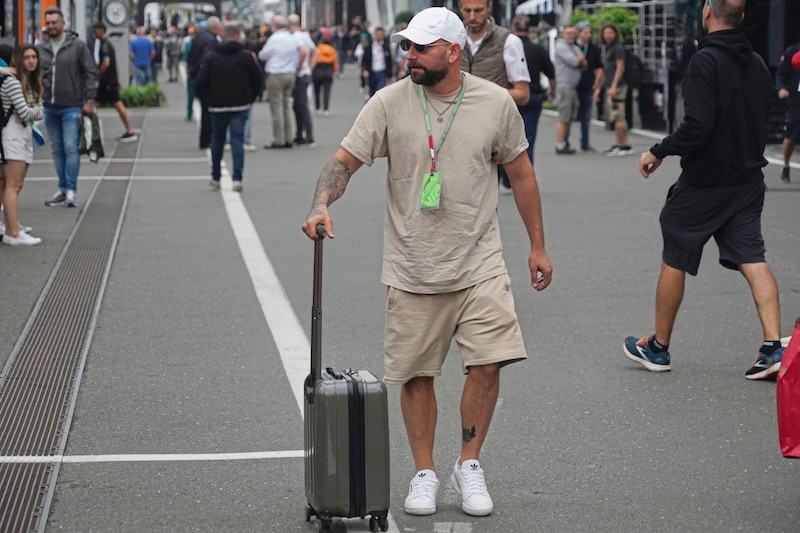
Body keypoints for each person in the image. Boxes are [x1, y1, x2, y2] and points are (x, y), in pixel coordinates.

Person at [300, 7, 552, 518]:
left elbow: (522, 176)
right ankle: (425, 472)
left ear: (452, 51)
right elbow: (344, 161)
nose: (408, 55)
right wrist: (321, 202)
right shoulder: (389, 102)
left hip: (480, 259)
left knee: (487, 366)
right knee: (417, 375)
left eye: (420, 47)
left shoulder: (496, 103)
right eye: (406, 47)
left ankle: (469, 463)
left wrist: (537, 246)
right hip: (413, 264)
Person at [625, 0, 783, 381]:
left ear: (708, 11)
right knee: (751, 255)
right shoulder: (759, 63)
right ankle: (772, 346)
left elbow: (697, 125)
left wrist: (658, 151)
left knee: (675, 253)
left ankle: (658, 348)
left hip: (706, 181)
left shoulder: (705, 61)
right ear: (742, 17)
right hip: (747, 178)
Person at [458, 0, 530, 193]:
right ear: (460, 8)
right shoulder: (452, 39)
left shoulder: (509, 41)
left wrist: (481, 95)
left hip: (489, 133)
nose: (472, 16)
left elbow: (523, 94)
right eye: (467, 10)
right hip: (452, 131)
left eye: (478, 10)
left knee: (484, 202)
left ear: (489, 7)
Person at [38, 6, 97, 209]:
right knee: (57, 150)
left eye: (55, 22)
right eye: (49, 23)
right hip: (49, 106)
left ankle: (71, 189)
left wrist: (90, 100)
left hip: (72, 105)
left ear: (63, 24)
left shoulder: (77, 46)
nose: (52, 26)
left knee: (71, 147)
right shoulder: (41, 48)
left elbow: (90, 72)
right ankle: (62, 189)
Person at [193, 23, 262, 193]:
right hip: (241, 104)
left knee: (217, 139)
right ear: (238, 37)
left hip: (217, 105)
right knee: (237, 140)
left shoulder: (211, 56)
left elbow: (201, 81)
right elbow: (258, 78)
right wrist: (251, 97)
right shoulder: (246, 56)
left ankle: (216, 177)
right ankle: (237, 178)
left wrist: (207, 99)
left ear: (222, 36)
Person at [0, 44, 45, 245]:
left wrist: (32, 109)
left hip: (21, 133)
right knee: (13, 185)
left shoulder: (27, 82)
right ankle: (13, 233)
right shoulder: (13, 82)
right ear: (18, 60)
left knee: (8, 184)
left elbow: (29, 111)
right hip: (13, 135)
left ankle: (12, 228)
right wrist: (38, 110)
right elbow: (27, 112)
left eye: (34, 57)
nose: (31, 61)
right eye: (26, 57)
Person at [510, 16, 554, 165]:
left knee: (505, 138)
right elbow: (551, 74)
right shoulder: (538, 49)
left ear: (513, 29)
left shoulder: (506, 48)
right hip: (533, 95)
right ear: (529, 30)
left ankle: (505, 176)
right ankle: (525, 178)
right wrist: (552, 91)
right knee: (528, 139)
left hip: (510, 96)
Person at [258, 15, 301, 149]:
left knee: (276, 107)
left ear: (274, 26)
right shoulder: (292, 38)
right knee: (287, 105)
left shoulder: (274, 39)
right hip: (290, 73)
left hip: (276, 74)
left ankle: (279, 139)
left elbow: (263, 55)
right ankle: (289, 137)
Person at [92, 22, 138, 142]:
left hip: (107, 82)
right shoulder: (107, 44)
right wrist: (117, 80)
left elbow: (106, 63)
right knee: (97, 105)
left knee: (112, 104)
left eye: (95, 30)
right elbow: (115, 64)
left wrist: (99, 74)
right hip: (109, 81)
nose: (94, 32)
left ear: (101, 30)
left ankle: (130, 130)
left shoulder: (105, 45)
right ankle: (129, 130)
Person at [596, 23, 633, 156]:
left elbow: (620, 66)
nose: (607, 36)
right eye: (605, 33)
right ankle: (621, 143)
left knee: (619, 116)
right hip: (610, 85)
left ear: (615, 34)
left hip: (617, 86)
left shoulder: (618, 48)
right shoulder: (608, 48)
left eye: (610, 33)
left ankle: (624, 145)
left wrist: (613, 85)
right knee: (615, 116)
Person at [187, 16, 223, 150]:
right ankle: (208, 140)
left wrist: (192, 72)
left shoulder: (198, 37)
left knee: (205, 110)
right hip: (206, 80)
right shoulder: (212, 41)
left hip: (196, 76)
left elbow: (191, 56)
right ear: (216, 27)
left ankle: (205, 139)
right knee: (209, 112)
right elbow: (208, 59)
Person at [553, 25, 586, 155]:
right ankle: (560, 144)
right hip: (564, 87)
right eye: (568, 33)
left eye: (573, 33)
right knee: (564, 117)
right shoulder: (561, 46)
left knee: (570, 117)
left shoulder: (574, 46)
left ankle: (565, 142)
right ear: (563, 34)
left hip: (572, 88)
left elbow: (584, 64)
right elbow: (574, 61)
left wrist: (580, 60)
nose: (571, 35)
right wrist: (579, 59)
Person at [288, 14, 316, 146]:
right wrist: (310, 67)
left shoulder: (295, 37)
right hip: (306, 73)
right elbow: (315, 51)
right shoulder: (305, 35)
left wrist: (298, 67)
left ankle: (307, 135)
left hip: (299, 75)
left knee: (301, 106)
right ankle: (301, 134)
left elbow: (303, 51)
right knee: (299, 105)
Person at [575, 21, 603, 152]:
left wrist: (596, 84)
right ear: (579, 33)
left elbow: (599, 68)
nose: (588, 35)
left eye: (589, 32)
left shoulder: (593, 48)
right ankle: (564, 142)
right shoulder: (572, 46)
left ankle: (584, 142)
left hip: (588, 85)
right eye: (585, 32)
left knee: (586, 116)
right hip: (573, 86)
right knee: (570, 115)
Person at [776, 43, 800, 183]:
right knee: (791, 136)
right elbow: (781, 73)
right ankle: (785, 165)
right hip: (796, 99)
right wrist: (781, 88)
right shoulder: (793, 51)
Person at [361, 27, 394, 97]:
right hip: (372, 72)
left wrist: (390, 75)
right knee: (372, 92)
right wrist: (364, 70)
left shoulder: (385, 46)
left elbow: (389, 61)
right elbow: (364, 60)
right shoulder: (369, 46)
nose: (379, 36)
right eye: (377, 34)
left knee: (380, 92)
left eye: (381, 35)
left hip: (382, 72)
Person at [312, 36, 338, 116]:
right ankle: (326, 109)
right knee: (327, 91)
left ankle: (317, 108)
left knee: (317, 91)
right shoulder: (332, 50)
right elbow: (335, 65)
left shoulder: (317, 49)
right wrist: (333, 70)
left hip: (318, 70)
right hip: (328, 70)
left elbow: (313, 60)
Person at [181, 25, 196, 120]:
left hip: (191, 71)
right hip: (200, 71)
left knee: (190, 95)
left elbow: (184, 55)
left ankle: (189, 113)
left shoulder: (187, 42)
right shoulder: (205, 42)